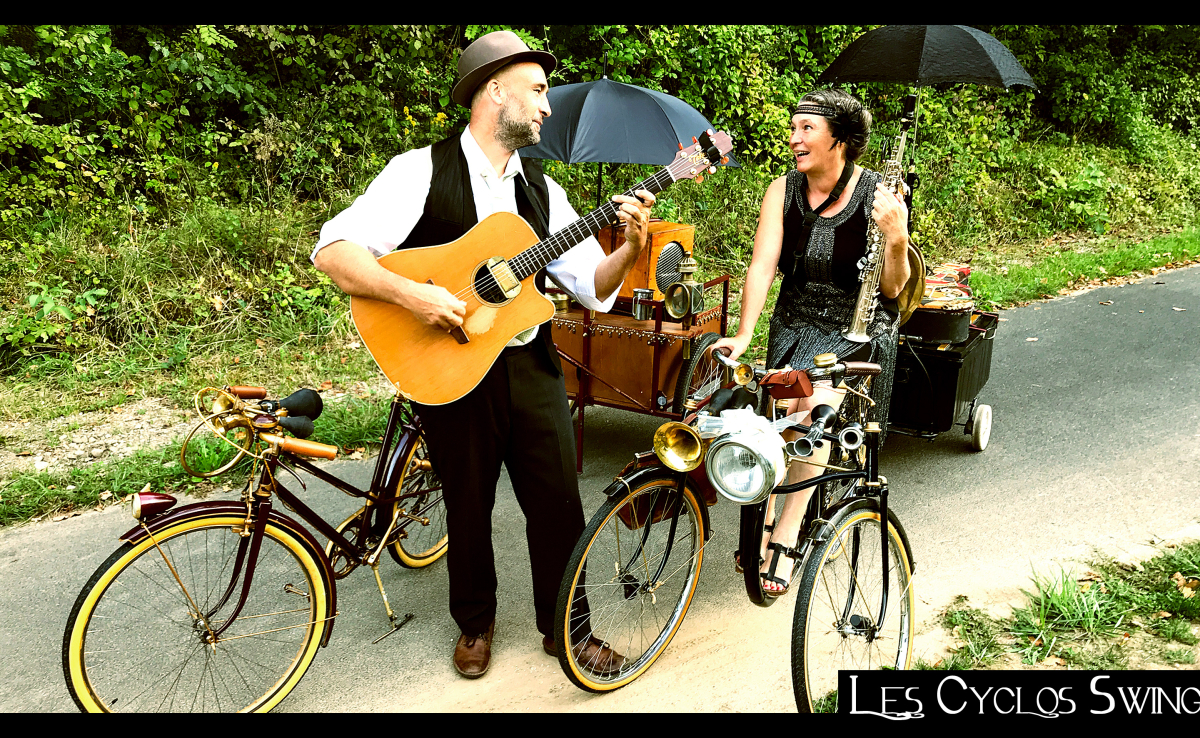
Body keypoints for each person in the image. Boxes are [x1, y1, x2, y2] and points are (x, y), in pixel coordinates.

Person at [311, 30, 655, 678]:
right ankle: (475, 623)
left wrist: (631, 250)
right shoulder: (418, 171)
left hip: (530, 367)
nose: (547, 106)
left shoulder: (543, 192)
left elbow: (592, 286)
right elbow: (334, 251)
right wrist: (411, 294)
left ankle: (569, 629)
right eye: (538, 90)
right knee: (467, 506)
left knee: (558, 504)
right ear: (495, 90)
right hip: (450, 363)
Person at [711, 88, 910, 597]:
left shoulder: (879, 194)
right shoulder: (782, 190)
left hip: (856, 324)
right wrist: (745, 332)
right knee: (782, 411)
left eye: (807, 129)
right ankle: (765, 513)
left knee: (812, 410)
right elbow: (762, 265)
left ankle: (786, 529)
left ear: (838, 139)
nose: (794, 139)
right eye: (793, 127)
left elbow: (892, 288)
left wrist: (896, 236)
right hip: (796, 319)